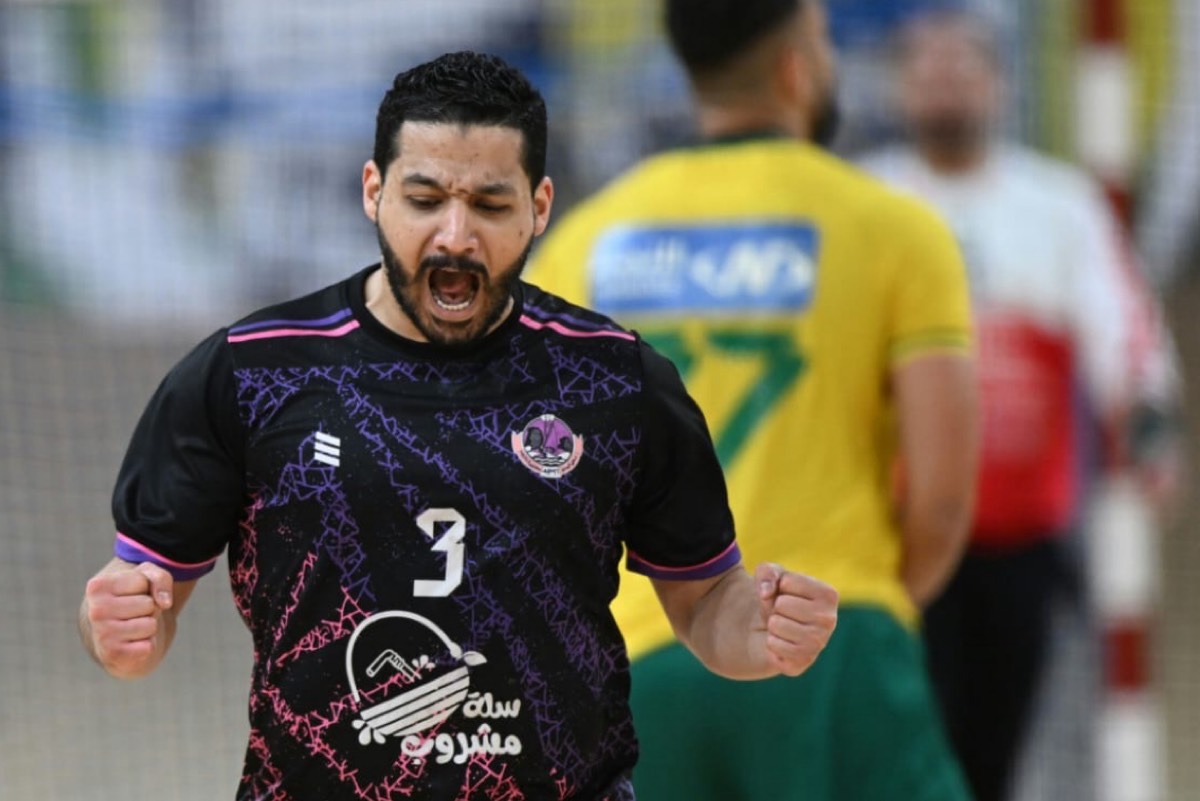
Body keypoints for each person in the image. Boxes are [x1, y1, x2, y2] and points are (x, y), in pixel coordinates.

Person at [77, 51, 839, 801]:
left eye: (490, 205)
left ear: (540, 206)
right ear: (373, 192)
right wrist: (113, 625)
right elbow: (140, 600)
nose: (454, 235)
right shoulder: (250, 371)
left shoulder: (617, 380)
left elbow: (705, 602)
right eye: (425, 198)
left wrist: (761, 630)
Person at [526, 1, 979, 799]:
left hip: (642, 665)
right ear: (796, 67)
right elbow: (942, 499)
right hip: (833, 638)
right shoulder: (895, 229)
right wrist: (866, 611)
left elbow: (539, 495)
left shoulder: (579, 244)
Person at [859, 10, 1183, 801]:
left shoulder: (1058, 206)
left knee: (991, 755)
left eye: (962, 66)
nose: (945, 82)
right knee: (899, 750)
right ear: (898, 87)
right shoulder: (864, 201)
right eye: (926, 67)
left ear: (1002, 84)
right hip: (886, 544)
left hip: (1017, 541)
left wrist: (1150, 437)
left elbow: (1127, 338)